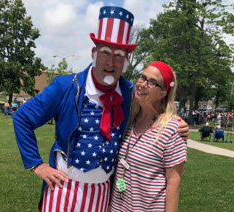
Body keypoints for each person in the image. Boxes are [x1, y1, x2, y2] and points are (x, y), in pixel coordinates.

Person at [13, 6, 189, 212]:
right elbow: (22, 117)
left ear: (125, 61)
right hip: (63, 189)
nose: (111, 62)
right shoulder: (66, 86)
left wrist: (175, 121)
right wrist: (37, 164)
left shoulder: (129, 91)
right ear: (94, 53)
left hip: (103, 194)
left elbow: (152, 105)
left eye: (118, 55)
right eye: (105, 52)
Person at [110, 61, 187, 212]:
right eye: (142, 77)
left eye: (152, 82)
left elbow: (174, 181)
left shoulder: (171, 129)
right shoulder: (128, 120)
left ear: (162, 94)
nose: (143, 84)